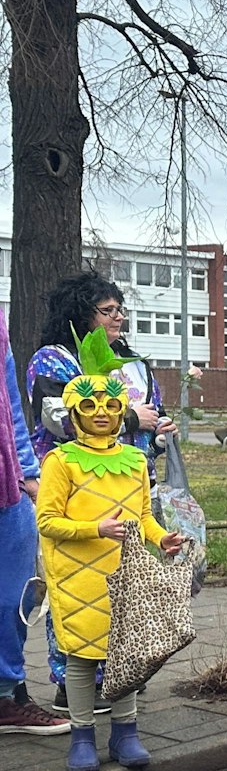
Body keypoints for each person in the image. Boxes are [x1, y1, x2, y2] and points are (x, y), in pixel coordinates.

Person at [27, 272, 178, 714]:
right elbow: (59, 418)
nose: (119, 318)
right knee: (74, 584)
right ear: (80, 313)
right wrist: (134, 420)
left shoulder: (132, 363)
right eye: (107, 311)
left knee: (126, 584)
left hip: (130, 491)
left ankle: (122, 671)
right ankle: (72, 679)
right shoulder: (53, 360)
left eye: (120, 310)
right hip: (74, 494)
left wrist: (159, 431)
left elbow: (155, 418)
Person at [37, 329, 186, 771]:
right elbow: (47, 522)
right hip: (76, 578)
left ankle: (126, 733)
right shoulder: (60, 462)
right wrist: (94, 528)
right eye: (89, 405)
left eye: (109, 405)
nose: (100, 413)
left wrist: (162, 539)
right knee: (82, 658)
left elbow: (143, 515)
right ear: (74, 412)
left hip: (125, 576)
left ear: (121, 410)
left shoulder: (135, 461)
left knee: (126, 653)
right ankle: (82, 736)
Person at [0, 308, 61, 735]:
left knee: (15, 596)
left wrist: (28, 472)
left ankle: (8, 694)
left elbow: (11, 406)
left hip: (7, 484)